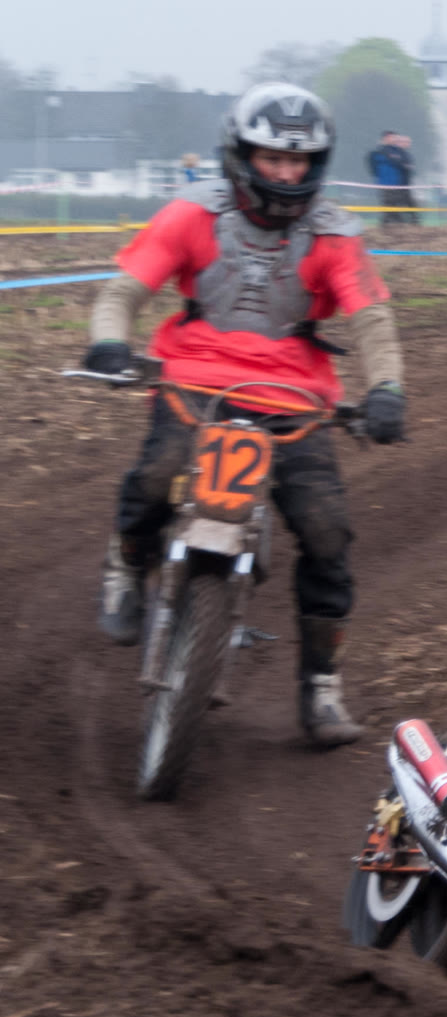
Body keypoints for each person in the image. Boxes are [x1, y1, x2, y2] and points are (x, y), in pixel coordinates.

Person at [82, 82, 407, 745]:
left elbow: (372, 319)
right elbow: (124, 291)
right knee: (156, 475)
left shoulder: (335, 234)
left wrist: (387, 389)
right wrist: (109, 342)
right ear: (240, 155)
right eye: (272, 158)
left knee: (326, 532)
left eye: (299, 161)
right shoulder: (191, 214)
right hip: (192, 383)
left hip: (295, 401)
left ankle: (321, 687)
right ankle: (126, 563)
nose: (286, 174)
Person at [367, 129, 417, 227]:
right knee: (390, 207)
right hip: (386, 184)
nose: (395, 139)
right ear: (386, 138)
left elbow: (404, 166)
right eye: (393, 137)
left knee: (395, 207)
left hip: (398, 184)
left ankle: (394, 224)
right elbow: (373, 166)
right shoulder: (379, 152)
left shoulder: (398, 151)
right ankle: (394, 225)